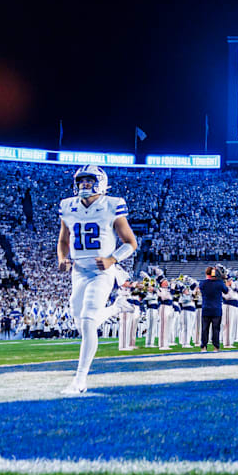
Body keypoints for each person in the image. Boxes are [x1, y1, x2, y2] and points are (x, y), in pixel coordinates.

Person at [56, 164, 139, 394]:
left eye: (89, 180)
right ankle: (116, 309)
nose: (84, 185)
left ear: (100, 182)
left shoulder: (112, 204)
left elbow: (131, 243)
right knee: (81, 324)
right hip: (78, 272)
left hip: (101, 272)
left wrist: (112, 259)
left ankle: (79, 380)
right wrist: (62, 258)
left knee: (89, 319)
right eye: (81, 181)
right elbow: (63, 240)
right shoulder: (67, 206)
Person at [199, 265, 227, 352]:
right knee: (216, 329)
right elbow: (226, 290)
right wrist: (222, 278)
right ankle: (216, 347)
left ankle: (203, 346)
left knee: (204, 329)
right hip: (216, 309)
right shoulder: (219, 283)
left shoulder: (202, 283)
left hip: (206, 308)